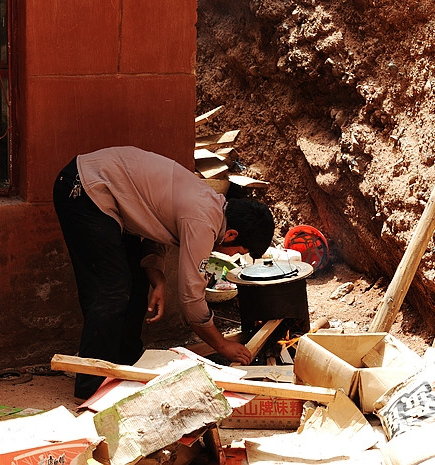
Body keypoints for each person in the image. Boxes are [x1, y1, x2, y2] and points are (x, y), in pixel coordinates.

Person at [53, 146, 275, 399]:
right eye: (237, 250)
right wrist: (222, 345)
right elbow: (191, 299)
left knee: (135, 284)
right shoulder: (204, 219)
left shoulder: (208, 202)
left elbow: (154, 228)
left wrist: (157, 280)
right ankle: (90, 385)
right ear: (232, 234)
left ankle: (127, 367)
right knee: (111, 290)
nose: (232, 255)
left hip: (103, 194)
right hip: (84, 189)